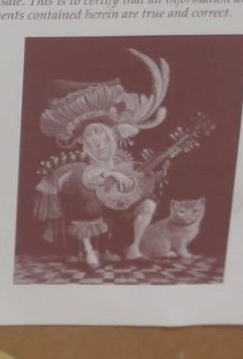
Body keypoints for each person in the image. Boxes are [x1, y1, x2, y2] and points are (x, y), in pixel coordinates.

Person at [32, 49, 171, 268]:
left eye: (102, 135)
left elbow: (137, 186)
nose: (98, 142)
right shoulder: (81, 167)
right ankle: (88, 248)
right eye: (90, 136)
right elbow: (92, 176)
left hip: (117, 204)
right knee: (85, 198)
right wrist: (113, 175)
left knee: (148, 205)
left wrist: (154, 172)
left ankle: (132, 249)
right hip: (91, 203)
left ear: (112, 136)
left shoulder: (123, 160)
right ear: (83, 142)